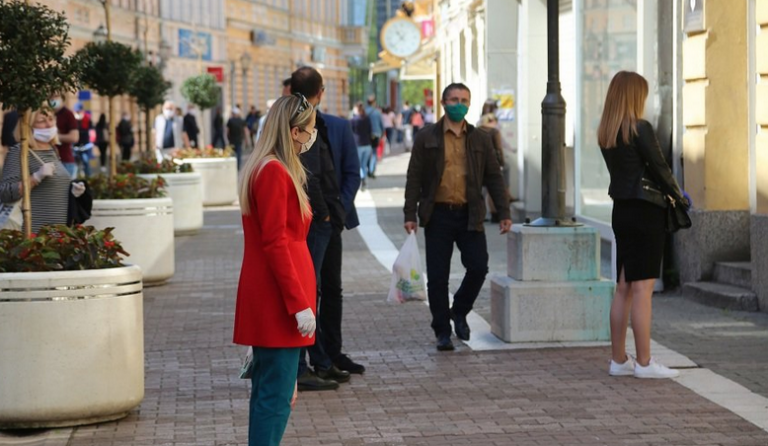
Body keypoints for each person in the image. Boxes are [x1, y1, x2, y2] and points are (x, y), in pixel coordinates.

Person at [233, 94, 318, 445]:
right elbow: (276, 243)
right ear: (295, 132)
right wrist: (297, 303)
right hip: (279, 298)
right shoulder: (272, 171)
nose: (313, 137)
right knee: (276, 396)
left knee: (271, 392)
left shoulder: (271, 168)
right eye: (310, 130)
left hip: (279, 295)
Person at [403, 83, 512, 352]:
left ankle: (460, 311)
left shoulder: (480, 139)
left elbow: (494, 177)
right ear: (443, 102)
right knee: (438, 277)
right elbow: (414, 177)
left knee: (478, 267)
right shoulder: (426, 136)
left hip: (470, 213)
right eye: (453, 99)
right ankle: (442, 330)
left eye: (464, 99)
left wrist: (504, 212)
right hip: (437, 214)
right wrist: (409, 214)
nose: (458, 104)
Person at [597, 71, 689, 379]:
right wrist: (679, 195)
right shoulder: (640, 128)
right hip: (646, 211)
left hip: (622, 211)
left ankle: (618, 360)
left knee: (622, 288)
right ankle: (645, 364)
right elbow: (660, 168)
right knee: (642, 289)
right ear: (635, 96)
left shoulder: (607, 132)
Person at [291, 67, 364, 375]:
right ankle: (313, 358)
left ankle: (331, 353)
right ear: (321, 91)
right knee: (311, 290)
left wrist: (338, 212)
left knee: (332, 288)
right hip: (306, 222)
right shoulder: (290, 128)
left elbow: (351, 173)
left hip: (331, 221)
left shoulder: (337, 126)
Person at [0, 107, 81, 232]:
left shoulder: (52, 150)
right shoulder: (20, 152)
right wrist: (35, 178)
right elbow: (5, 193)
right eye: (42, 121)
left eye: (51, 119)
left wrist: (73, 191)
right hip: (35, 235)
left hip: (58, 234)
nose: (48, 124)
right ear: (29, 125)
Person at [478, 112, 507, 222]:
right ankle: (494, 213)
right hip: (491, 163)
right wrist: (501, 163)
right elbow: (498, 149)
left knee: (479, 190)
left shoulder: (477, 131)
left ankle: (482, 214)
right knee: (492, 190)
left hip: (478, 163)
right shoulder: (494, 132)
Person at [49, 94, 79, 178]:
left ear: (62, 99)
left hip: (64, 160)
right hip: (47, 160)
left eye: (56, 97)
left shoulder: (68, 114)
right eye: (51, 97)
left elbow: (74, 137)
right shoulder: (47, 113)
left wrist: (53, 136)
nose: (53, 99)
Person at [351, 102, 373, 190]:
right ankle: (364, 179)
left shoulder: (353, 120)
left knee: (358, 165)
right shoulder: (367, 118)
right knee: (364, 165)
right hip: (367, 144)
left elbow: (350, 133)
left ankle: (362, 179)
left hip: (358, 144)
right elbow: (370, 130)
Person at [365, 96, 383, 179]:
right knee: (374, 152)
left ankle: (368, 168)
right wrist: (382, 133)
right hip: (376, 134)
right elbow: (381, 124)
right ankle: (372, 170)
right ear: (373, 102)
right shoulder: (377, 112)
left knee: (368, 152)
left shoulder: (364, 112)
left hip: (366, 135)